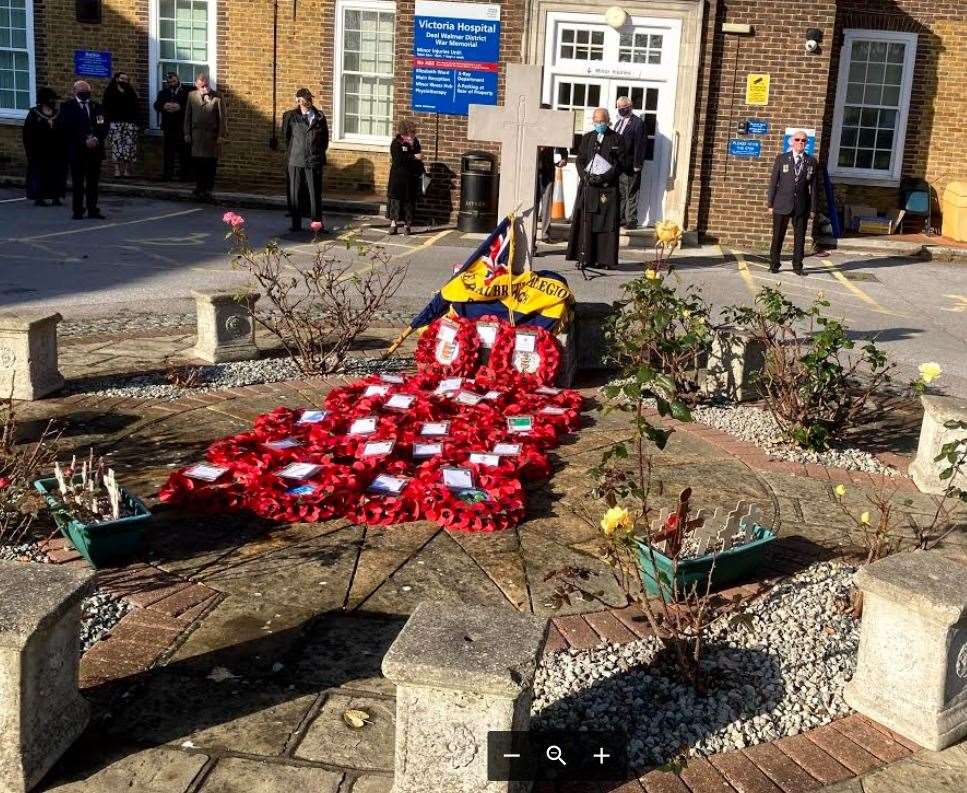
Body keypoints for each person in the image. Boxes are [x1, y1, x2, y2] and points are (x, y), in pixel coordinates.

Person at [565, 108, 628, 271]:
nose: (598, 124)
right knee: (587, 223)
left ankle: (604, 259)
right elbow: (580, 160)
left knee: (605, 225)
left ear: (607, 121)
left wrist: (604, 177)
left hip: (607, 189)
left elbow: (620, 164)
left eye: (601, 121)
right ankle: (586, 258)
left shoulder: (617, 139)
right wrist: (584, 176)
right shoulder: (587, 138)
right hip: (589, 187)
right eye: (595, 120)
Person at [767, 130, 819, 275]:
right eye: (797, 140)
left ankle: (798, 266)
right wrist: (770, 204)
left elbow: (814, 188)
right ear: (792, 141)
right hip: (781, 204)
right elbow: (773, 183)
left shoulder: (811, 161)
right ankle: (774, 264)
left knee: (800, 238)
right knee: (777, 236)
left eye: (803, 141)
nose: (800, 143)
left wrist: (813, 209)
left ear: (806, 143)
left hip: (801, 205)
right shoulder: (782, 158)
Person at [57, 80, 108, 219]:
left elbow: (103, 125)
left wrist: (96, 139)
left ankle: (92, 209)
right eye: (82, 92)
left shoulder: (96, 107)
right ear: (74, 92)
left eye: (87, 92)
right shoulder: (67, 107)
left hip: (94, 151)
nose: (85, 94)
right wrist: (84, 140)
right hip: (77, 151)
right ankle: (78, 210)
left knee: (93, 183)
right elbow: (65, 129)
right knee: (78, 183)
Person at [282, 88, 329, 232]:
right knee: (295, 193)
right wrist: (296, 151)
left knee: (315, 193)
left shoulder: (319, 116)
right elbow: (286, 137)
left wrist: (317, 153)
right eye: (303, 98)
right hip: (295, 159)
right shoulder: (290, 116)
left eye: (309, 98)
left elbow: (325, 140)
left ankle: (317, 224)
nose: (307, 101)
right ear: (297, 100)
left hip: (314, 159)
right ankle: (296, 224)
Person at [184, 73, 226, 201]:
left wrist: (221, 135)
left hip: (211, 136)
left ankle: (208, 189)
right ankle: (199, 187)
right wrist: (186, 133)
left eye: (206, 84)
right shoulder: (191, 96)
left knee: (210, 164)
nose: (204, 87)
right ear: (196, 85)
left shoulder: (218, 97)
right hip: (196, 136)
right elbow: (188, 116)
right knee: (198, 163)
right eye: (201, 85)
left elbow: (222, 119)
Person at [22, 87, 67, 206]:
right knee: (40, 174)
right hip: (39, 150)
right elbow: (28, 133)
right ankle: (39, 197)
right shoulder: (34, 113)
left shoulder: (58, 113)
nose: (53, 103)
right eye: (50, 100)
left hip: (56, 150)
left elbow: (64, 131)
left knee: (56, 174)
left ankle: (56, 197)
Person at [536, 102, 568, 245]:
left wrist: (564, 157)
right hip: (533, 171)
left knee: (547, 204)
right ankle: (531, 238)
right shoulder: (532, 126)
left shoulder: (553, 129)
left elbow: (562, 145)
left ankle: (545, 234)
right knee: (534, 204)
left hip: (548, 169)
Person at [614, 95, 647, 229]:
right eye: (619, 108)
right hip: (618, 165)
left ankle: (631, 220)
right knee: (621, 193)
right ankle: (620, 218)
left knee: (631, 192)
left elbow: (641, 144)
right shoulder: (618, 123)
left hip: (631, 165)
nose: (621, 110)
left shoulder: (638, 123)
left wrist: (637, 164)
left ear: (630, 107)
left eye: (623, 108)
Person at [153, 71, 194, 181]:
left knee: (184, 153)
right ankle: (167, 176)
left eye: (174, 81)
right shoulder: (163, 92)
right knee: (168, 152)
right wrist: (164, 106)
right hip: (168, 127)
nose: (172, 83)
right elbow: (156, 105)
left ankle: (185, 176)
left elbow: (194, 105)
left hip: (183, 126)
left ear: (178, 79)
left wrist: (180, 107)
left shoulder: (188, 90)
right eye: (169, 82)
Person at [387, 118, 424, 236]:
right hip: (398, 177)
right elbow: (398, 160)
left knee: (409, 201)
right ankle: (394, 224)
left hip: (411, 177)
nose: (414, 134)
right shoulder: (396, 143)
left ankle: (407, 225)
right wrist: (413, 157)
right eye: (412, 132)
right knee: (396, 200)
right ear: (405, 132)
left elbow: (418, 157)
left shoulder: (416, 142)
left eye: (414, 132)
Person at [103, 72, 141, 178]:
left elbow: (136, 108)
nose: (124, 81)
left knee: (129, 147)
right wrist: (105, 122)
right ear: (116, 79)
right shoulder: (110, 91)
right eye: (122, 78)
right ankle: (117, 170)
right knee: (116, 146)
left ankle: (126, 170)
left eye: (126, 79)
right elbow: (105, 107)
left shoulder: (131, 92)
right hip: (115, 122)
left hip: (130, 123)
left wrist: (137, 122)